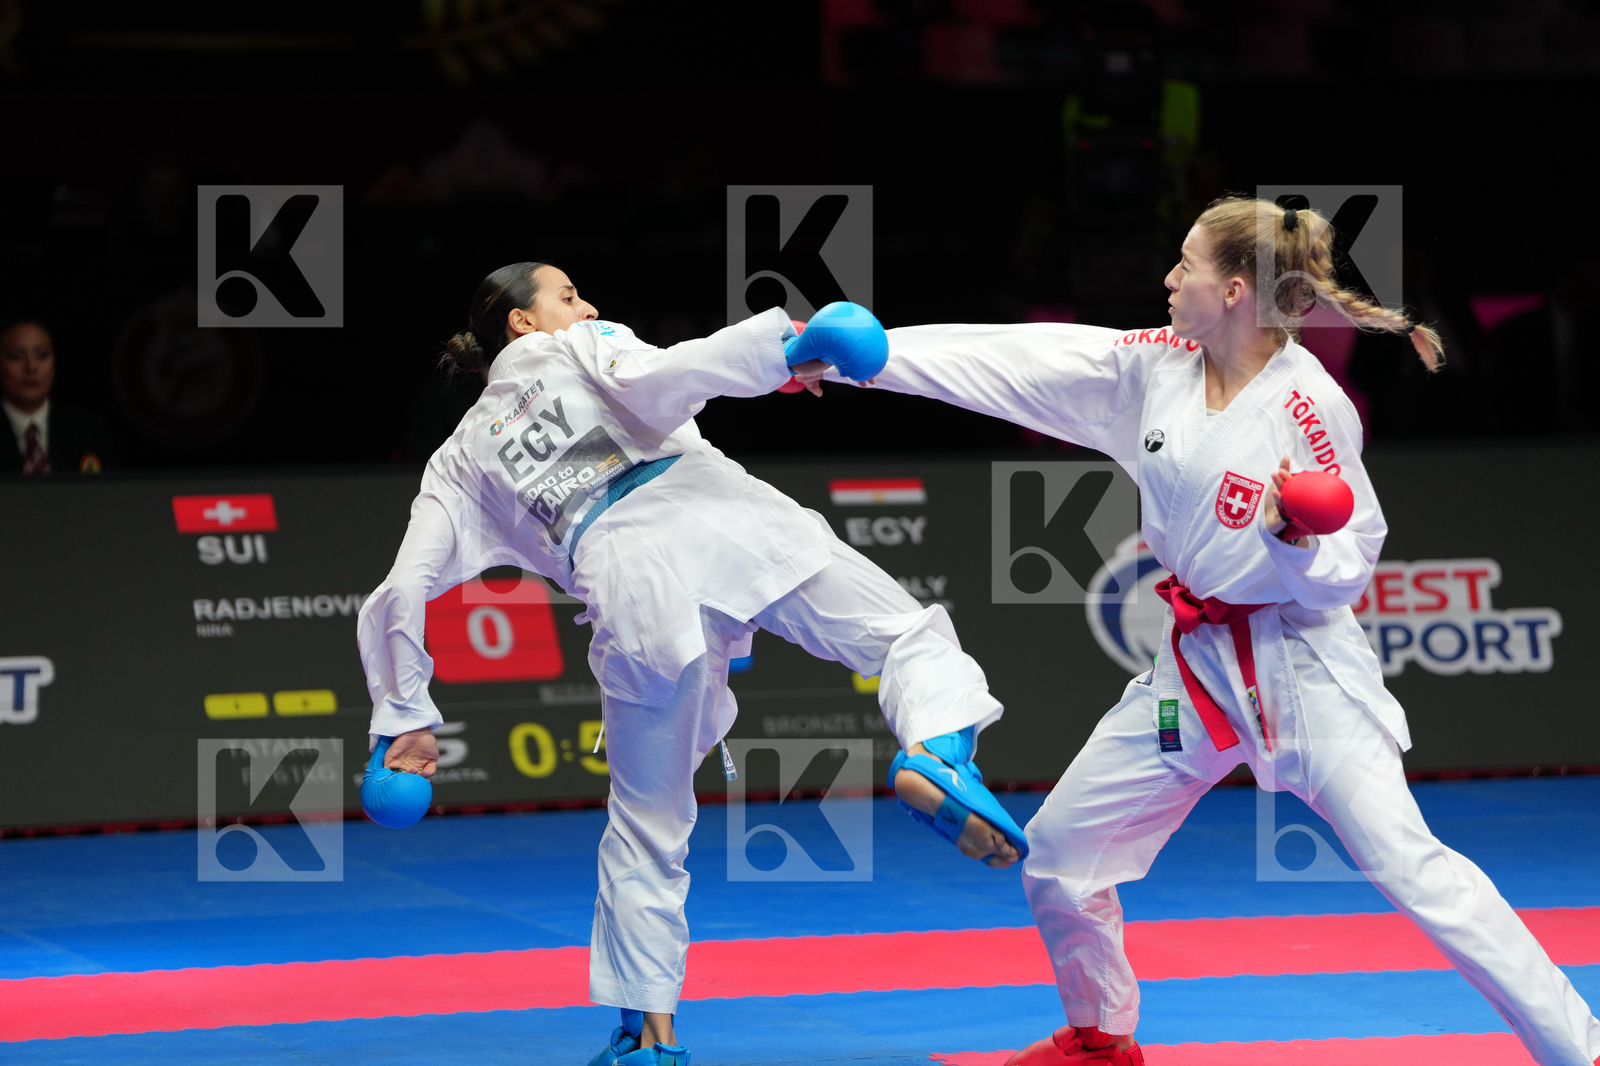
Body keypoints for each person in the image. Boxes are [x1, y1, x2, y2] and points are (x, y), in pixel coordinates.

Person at [799, 198, 1600, 1066]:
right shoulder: (1159, 366)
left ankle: (1579, 1047)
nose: (1169, 278)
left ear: (1235, 291)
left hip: (1305, 671)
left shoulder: (1312, 409)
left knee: (1415, 872)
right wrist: (871, 360)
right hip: (1198, 669)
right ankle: (1102, 1039)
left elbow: (1352, 560)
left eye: (1186, 265)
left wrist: (1297, 542)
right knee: (1061, 860)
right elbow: (1023, 360)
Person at [355, 263, 1028, 1066]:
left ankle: (648, 1036)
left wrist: (407, 720)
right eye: (568, 295)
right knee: (904, 634)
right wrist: (783, 352)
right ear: (522, 325)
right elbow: (667, 372)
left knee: (646, 824)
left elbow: (400, 591)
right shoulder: (583, 346)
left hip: (629, 590)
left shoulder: (458, 460)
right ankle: (939, 750)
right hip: (725, 521)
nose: (590, 305)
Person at [0, 320, 117, 475]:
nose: (31, 367)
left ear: (54, 364)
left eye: (42, 355)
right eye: (15, 356)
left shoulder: (87, 429)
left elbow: (113, 493)